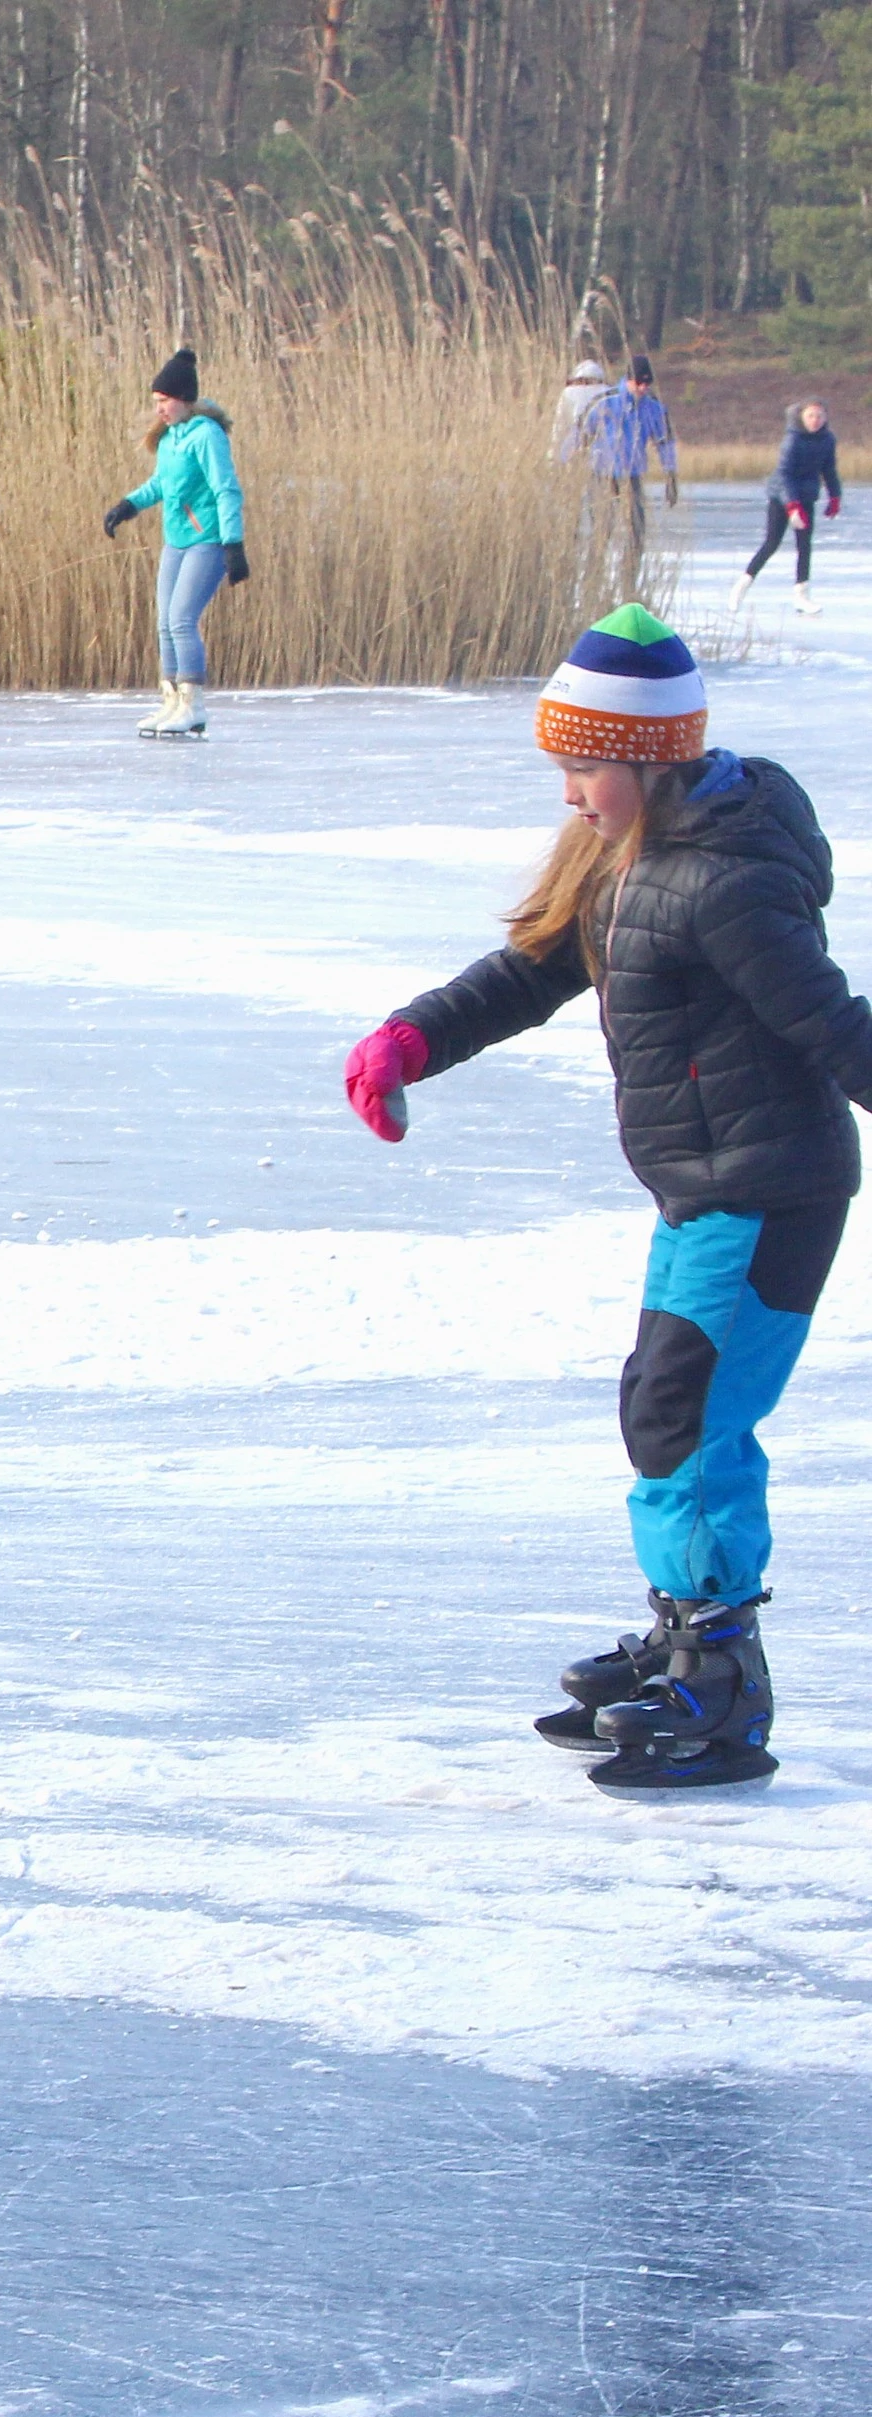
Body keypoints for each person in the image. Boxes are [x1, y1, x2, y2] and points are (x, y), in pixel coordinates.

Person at [342, 607, 862, 1793]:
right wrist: (413, 1036)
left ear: (648, 756)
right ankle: (693, 1631)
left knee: (692, 1425)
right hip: (704, 1189)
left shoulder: (722, 880)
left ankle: (719, 1680)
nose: (570, 791)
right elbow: (528, 970)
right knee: (663, 1411)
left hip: (769, 1189)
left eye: (583, 765)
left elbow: (832, 1024)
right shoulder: (627, 863)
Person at [101, 345, 246, 741]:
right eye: (156, 402)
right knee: (164, 622)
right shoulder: (169, 440)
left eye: (164, 401)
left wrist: (233, 544)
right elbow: (162, 485)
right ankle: (170, 702)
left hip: (208, 539)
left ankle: (192, 706)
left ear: (183, 399)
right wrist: (127, 506)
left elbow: (226, 489)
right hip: (177, 540)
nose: (159, 409)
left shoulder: (206, 435)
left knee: (182, 620)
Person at [729, 402, 840, 615]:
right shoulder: (793, 440)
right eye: (810, 416)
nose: (815, 420)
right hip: (782, 496)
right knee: (772, 543)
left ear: (825, 418)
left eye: (819, 416)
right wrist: (792, 506)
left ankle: (802, 596)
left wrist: (835, 496)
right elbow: (785, 474)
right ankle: (741, 587)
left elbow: (829, 469)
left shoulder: (827, 440)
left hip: (806, 496)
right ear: (802, 417)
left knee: (804, 546)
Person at [588, 353, 680, 556]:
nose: (643, 388)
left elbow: (665, 443)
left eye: (648, 384)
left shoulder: (654, 408)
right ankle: (594, 577)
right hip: (602, 476)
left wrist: (671, 477)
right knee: (602, 532)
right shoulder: (605, 401)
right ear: (628, 379)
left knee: (637, 534)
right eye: (639, 382)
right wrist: (562, 463)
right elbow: (580, 434)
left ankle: (629, 582)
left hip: (633, 477)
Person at [554, 356, 612, 462]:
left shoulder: (568, 393)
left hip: (573, 446)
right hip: (604, 450)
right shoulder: (609, 392)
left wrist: (553, 454)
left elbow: (559, 424)